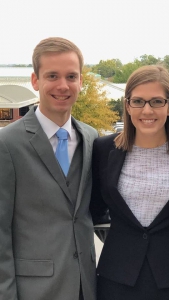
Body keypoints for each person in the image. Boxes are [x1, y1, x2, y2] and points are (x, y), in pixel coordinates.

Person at [90, 65, 169, 300]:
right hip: (118, 275)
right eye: (138, 101)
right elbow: (96, 206)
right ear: (127, 105)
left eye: (156, 101)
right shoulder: (103, 149)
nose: (146, 110)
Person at [0, 37, 98, 300]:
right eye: (52, 75)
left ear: (80, 81)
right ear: (35, 81)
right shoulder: (7, 144)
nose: (63, 86)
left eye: (71, 76)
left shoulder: (91, 137)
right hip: (33, 291)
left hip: (85, 286)